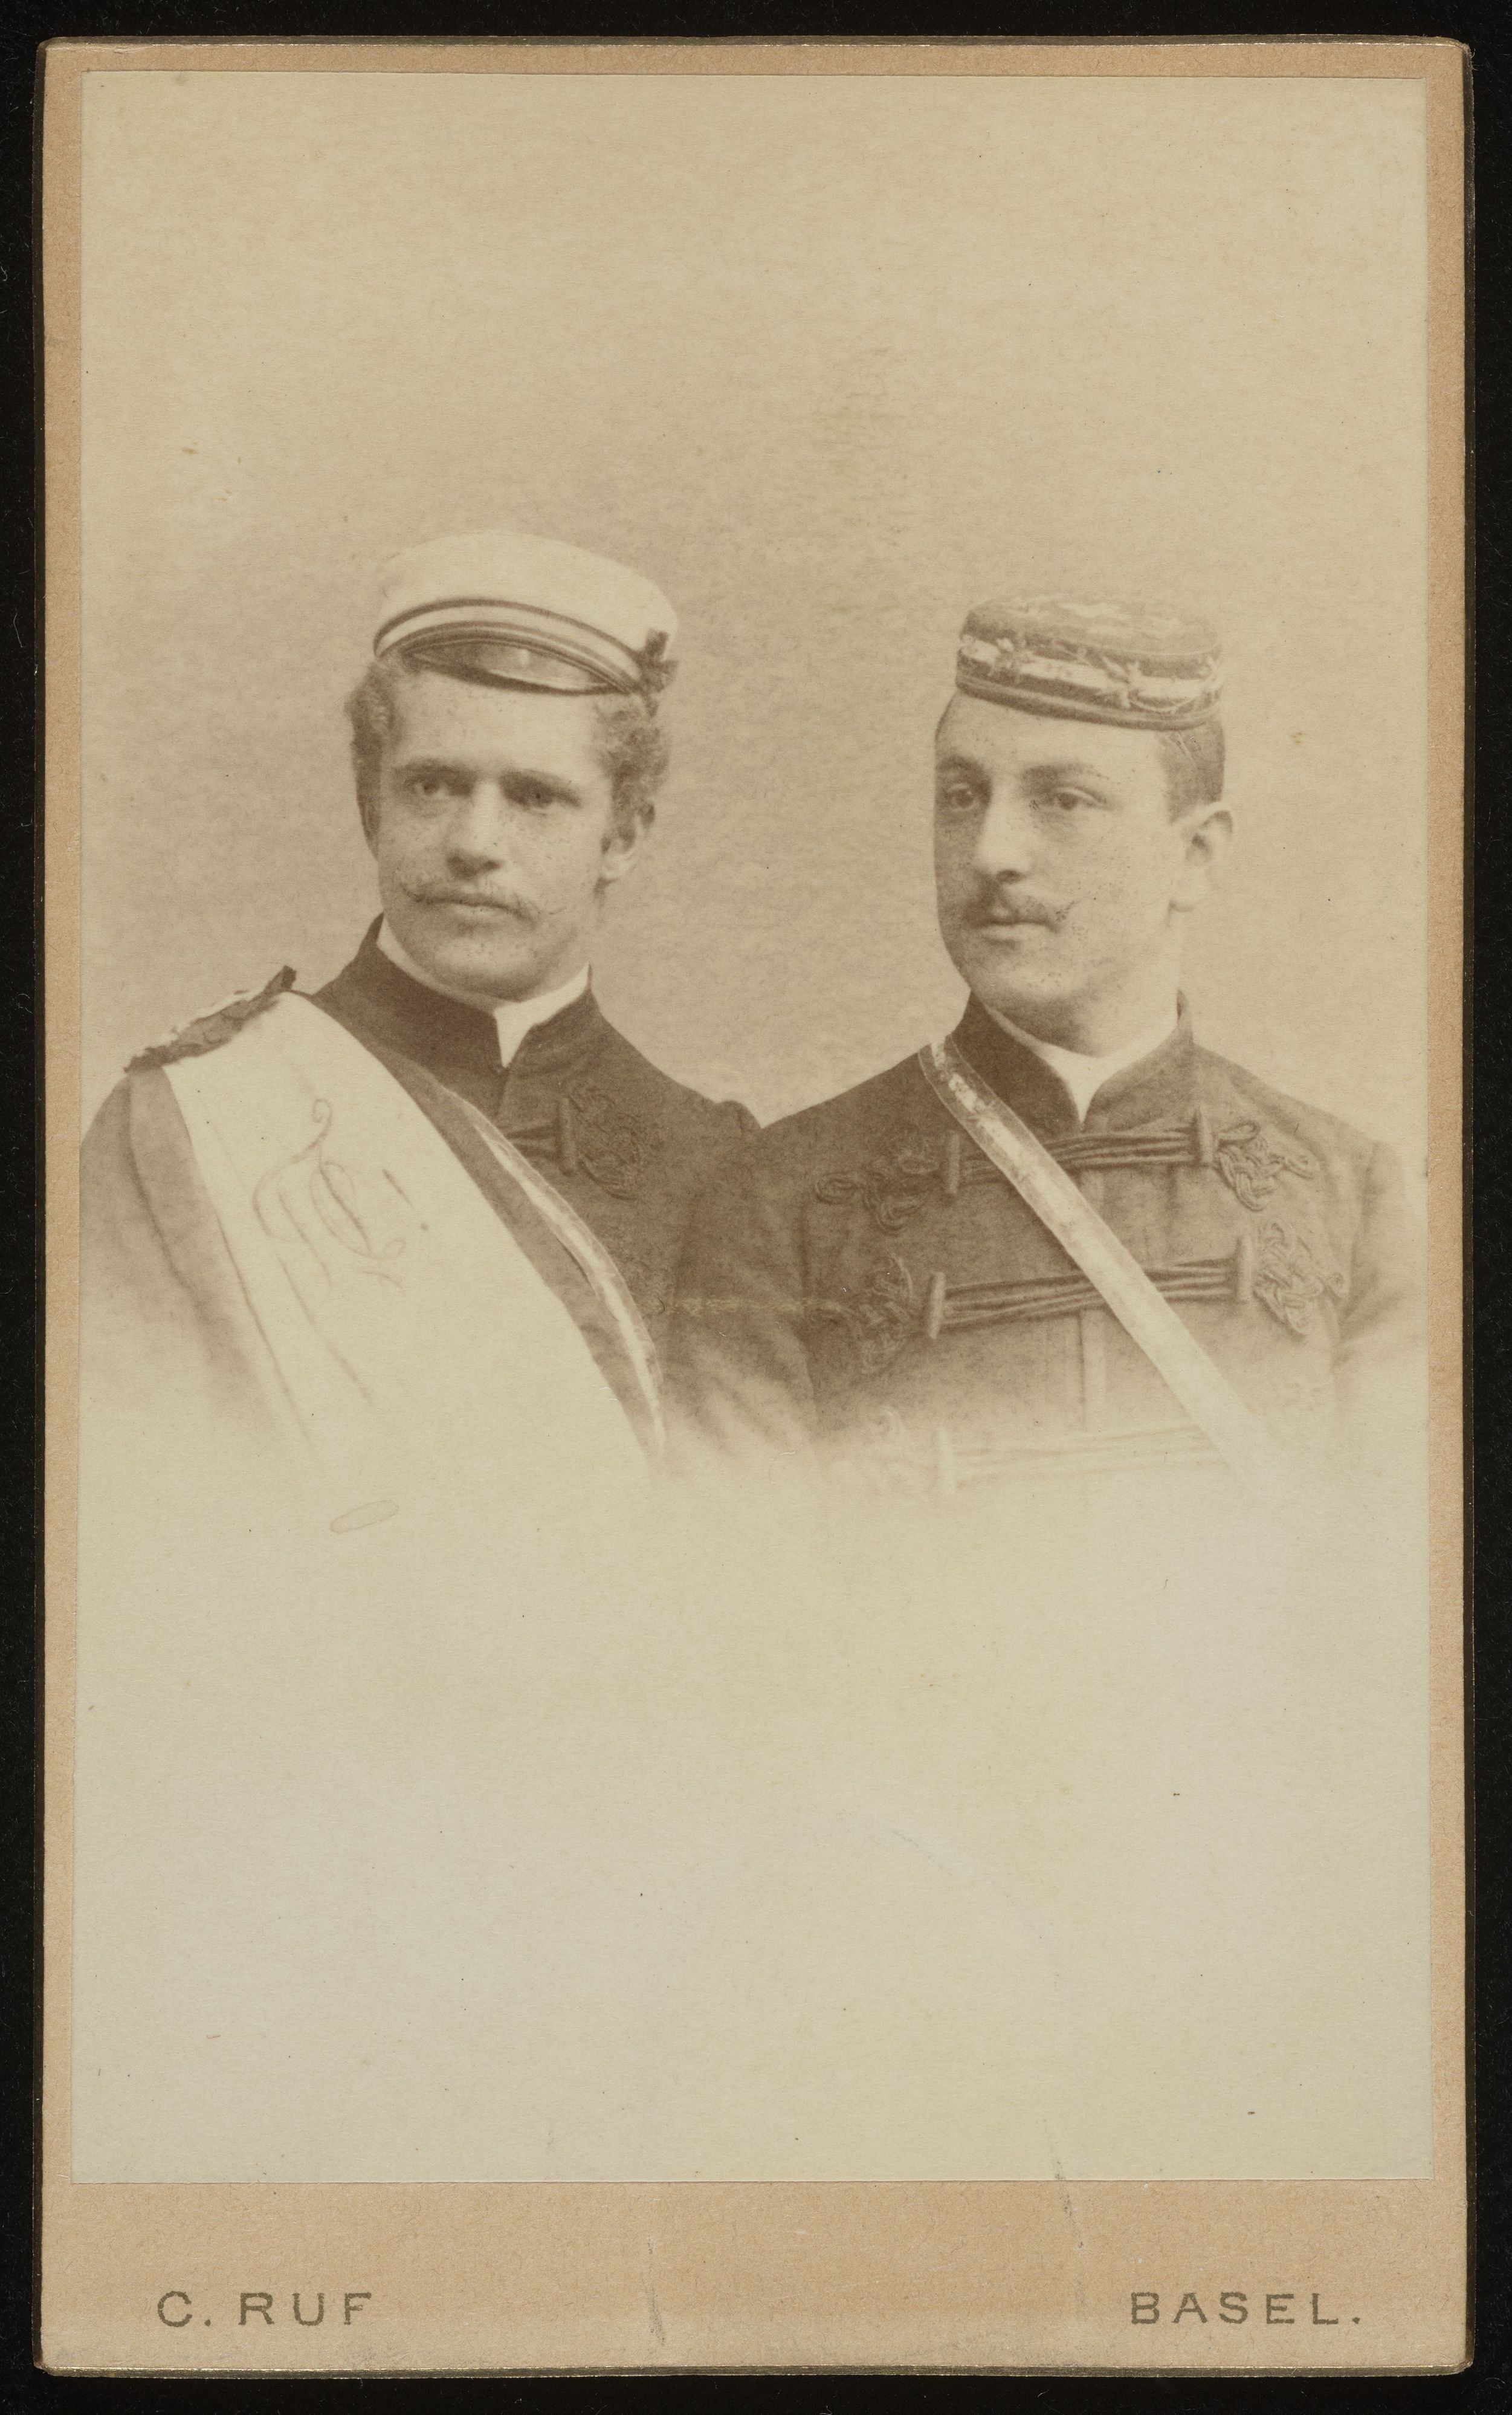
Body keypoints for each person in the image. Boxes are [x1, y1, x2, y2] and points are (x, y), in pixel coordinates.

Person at [670, 595, 1422, 1508]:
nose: (991, 852)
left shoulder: (1349, 1193)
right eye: (961, 796)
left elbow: (1392, 1562)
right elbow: (742, 1572)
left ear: (1195, 854)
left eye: (1063, 800)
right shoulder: (774, 1200)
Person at [81, 528, 753, 1522]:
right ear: (371, 804)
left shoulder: (721, 1166)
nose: (474, 842)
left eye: (535, 797)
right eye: (433, 785)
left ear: (624, 834)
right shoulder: (182, 1125)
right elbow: (134, 1522)